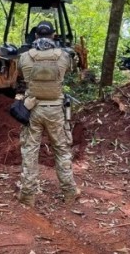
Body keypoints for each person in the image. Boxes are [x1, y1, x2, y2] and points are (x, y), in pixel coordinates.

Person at [16, 20, 80, 207]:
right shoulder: (64, 56)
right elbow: (70, 70)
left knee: (30, 151)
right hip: (56, 110)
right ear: (53, 35)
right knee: (61, 150)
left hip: (32, 109)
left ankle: (27, 195)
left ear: (35, 36)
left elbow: (20, 74)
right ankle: (69, 192)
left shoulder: (25, 57)